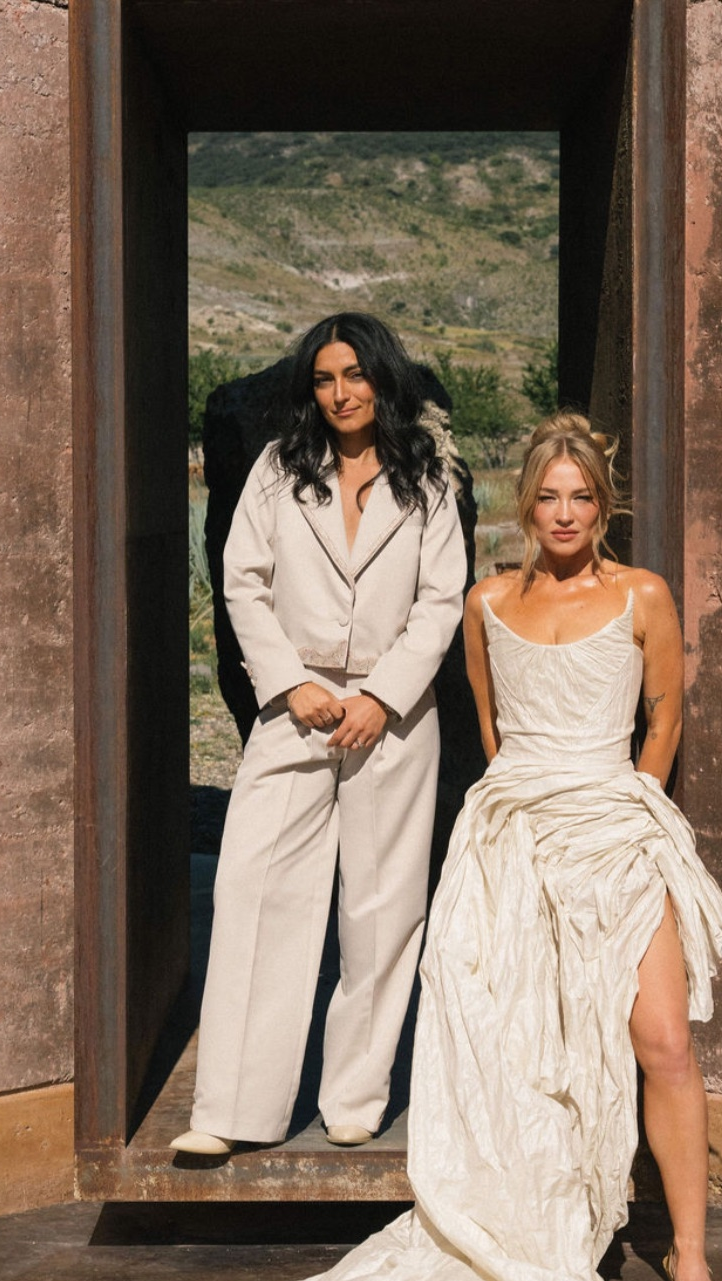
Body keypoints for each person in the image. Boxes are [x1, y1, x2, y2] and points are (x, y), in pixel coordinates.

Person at [29, 413, 722, 1281]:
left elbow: (665, 718)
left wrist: (626, 808)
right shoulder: (489, 604)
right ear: (527, 504)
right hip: (514, 835)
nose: (564, 514)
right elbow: (492, 731)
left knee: (662, 1041)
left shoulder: (644, 596)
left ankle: (691, 1255)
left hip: (615, 830)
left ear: (603, 505)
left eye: (581, 497)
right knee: (522, 1049)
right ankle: (532, 1220)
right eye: (548, 497)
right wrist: (523, 817)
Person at [170, 313, 468, 1153]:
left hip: (393, 721)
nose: (341, 394)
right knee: (255, 893)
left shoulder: (426, 479)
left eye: (356, 375)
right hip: (292, 711)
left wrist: (385, 696)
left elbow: (441, 600)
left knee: (381, 909)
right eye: (326, 379)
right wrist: (289, 683)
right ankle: (231, 1113)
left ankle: (355, 1097)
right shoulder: (279, 469)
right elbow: (242, 582)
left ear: (383, 378)